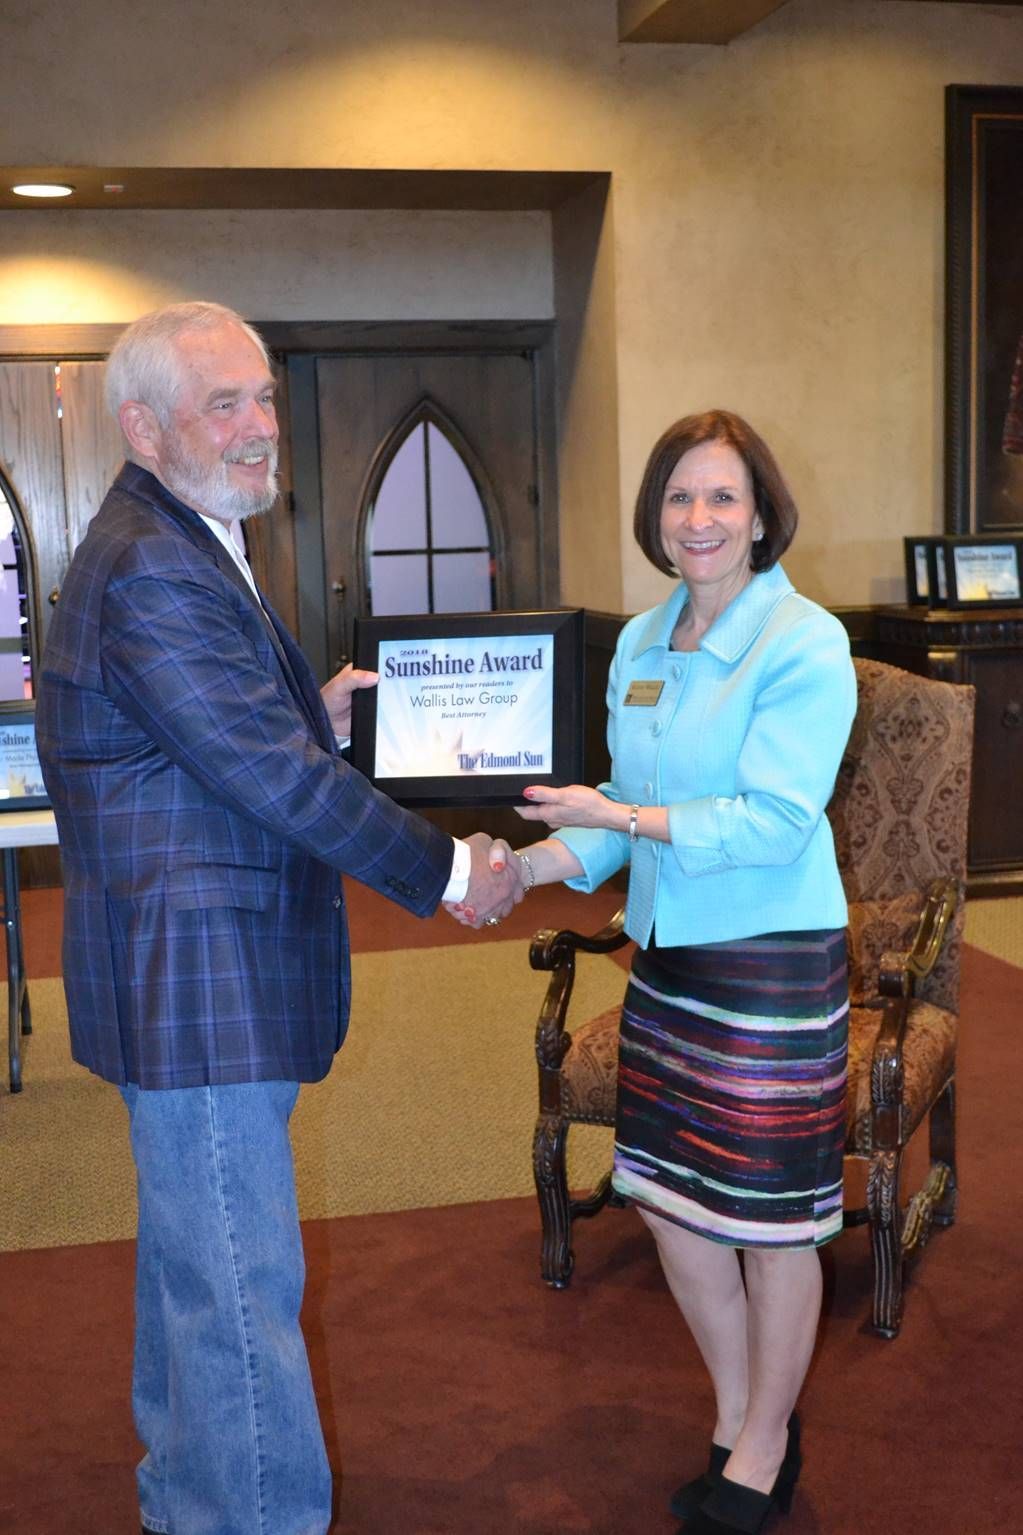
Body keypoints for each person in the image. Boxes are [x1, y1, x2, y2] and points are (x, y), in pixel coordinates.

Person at [35, 301, 521, 1535]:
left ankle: (187, 1496)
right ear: (144, 427)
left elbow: (220, 735)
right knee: (240, 1291)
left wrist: (315, 706)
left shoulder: (181, 530)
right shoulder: (153, 562)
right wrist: (454, 871)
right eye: (224, 405)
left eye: (263, 399)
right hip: (203, 984)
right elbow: (270, 778)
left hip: (190, 971)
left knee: (194, 1270)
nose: (260, 430)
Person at [456, 409, 856, 1535]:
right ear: (655, 514)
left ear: (764, 512)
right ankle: (743, 1417)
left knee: (771, 1221)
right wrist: (512, 866)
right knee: (675, 1207)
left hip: (772, 963)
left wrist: (618, 810)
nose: (700, 519)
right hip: (672, 965)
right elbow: (614, 833)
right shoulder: (639, 645)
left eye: (723, 496)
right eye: (680, 496)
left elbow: (775, 821)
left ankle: (766, 1441)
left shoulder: (804, 644)